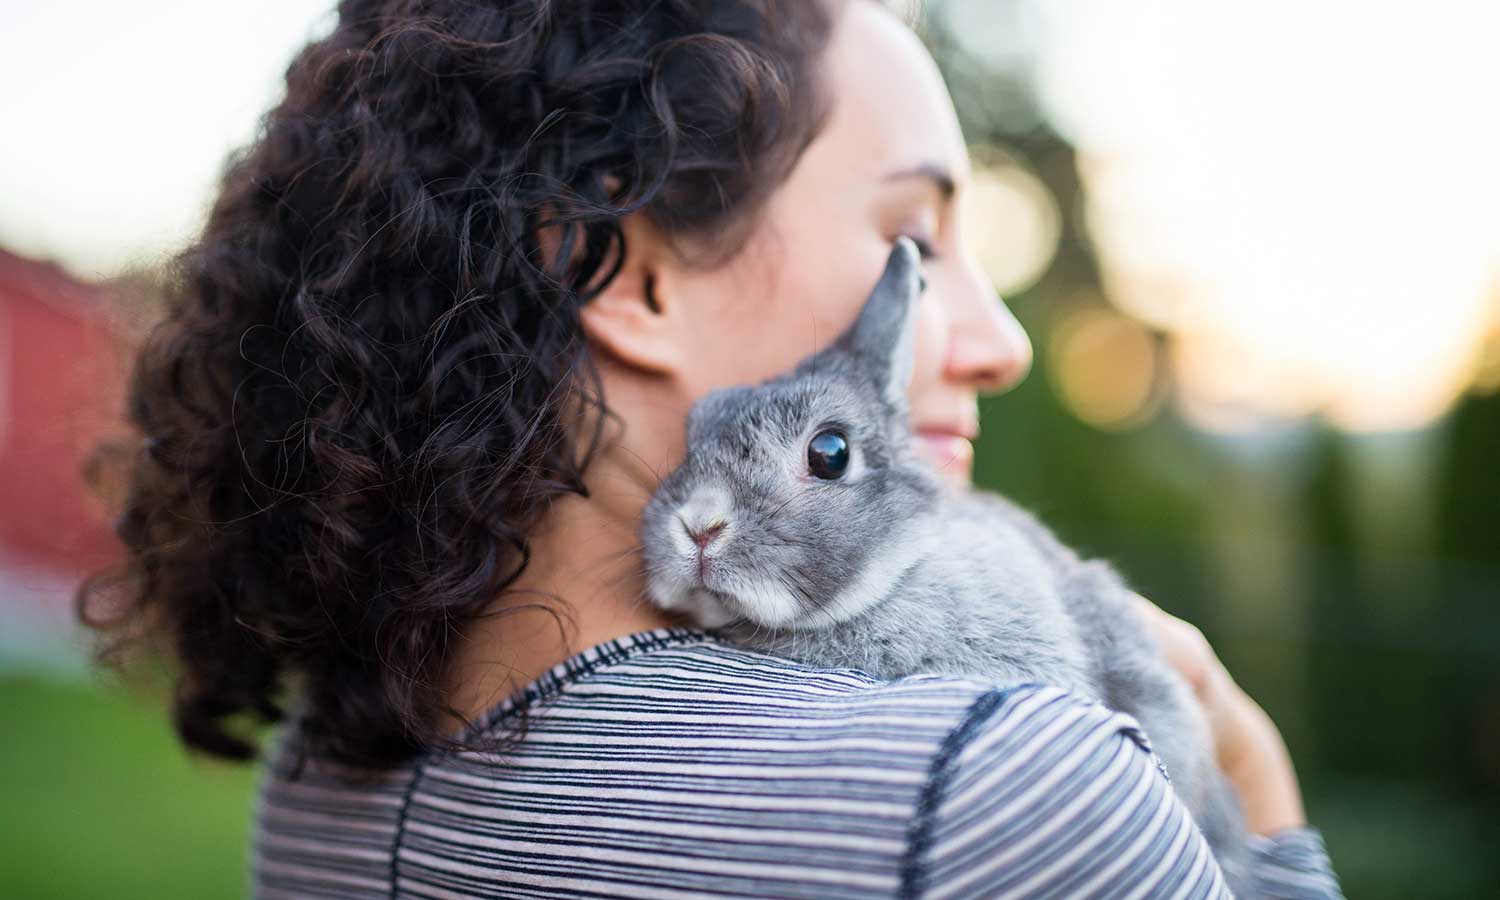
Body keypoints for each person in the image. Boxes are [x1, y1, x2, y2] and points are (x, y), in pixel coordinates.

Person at [78, 0, 1344, 896]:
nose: (1000, 341)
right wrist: (1261, 794)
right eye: (914, 236)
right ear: (620, 270)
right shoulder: (997, 791)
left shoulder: (322, 791)